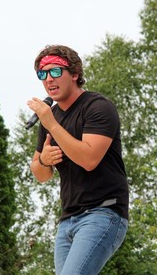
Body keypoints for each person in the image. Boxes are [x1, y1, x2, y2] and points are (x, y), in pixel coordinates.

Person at [27, 45, 129, 275]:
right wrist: (43, 160)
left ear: (74, 73)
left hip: (103, 213)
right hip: (68, 221)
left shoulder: (98, 107)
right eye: (42, 74)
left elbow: (89, 159)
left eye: (55, 72)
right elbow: (41, 175)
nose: (48, 79)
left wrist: (51, 123)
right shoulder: (50, 117)